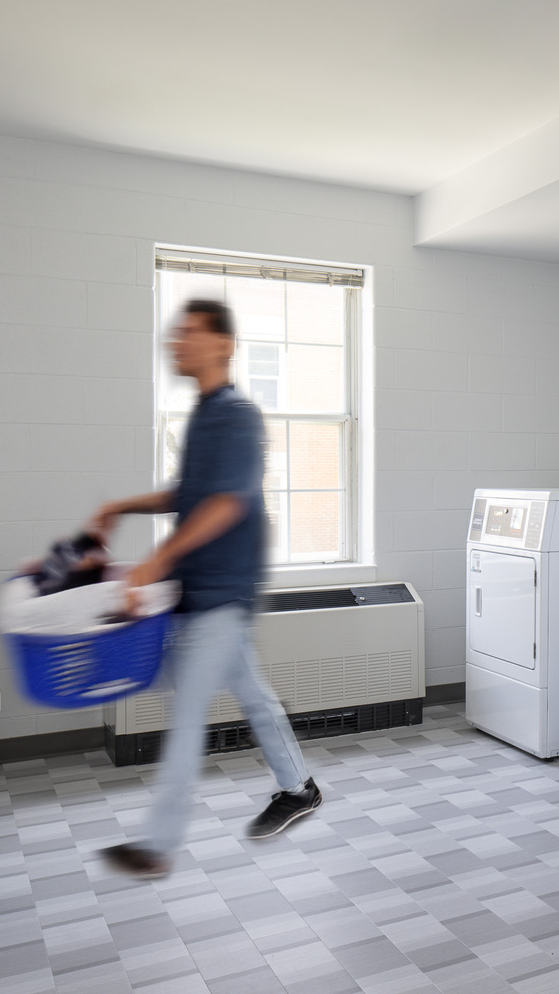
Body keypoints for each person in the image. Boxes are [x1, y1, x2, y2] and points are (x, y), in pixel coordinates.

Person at [91, 298, 320, 879]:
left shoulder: (237, 414)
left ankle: (157, 845)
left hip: (223, 590)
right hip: (202, 589)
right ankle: (299, 788)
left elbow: (226, 501)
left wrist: (154, 560)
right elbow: (188, 493)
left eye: (190, 333)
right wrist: (124, 504)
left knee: (188, 706)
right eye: (175, 333)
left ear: (224, 344)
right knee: (254, 695)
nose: (177, 342)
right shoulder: (204, 413)